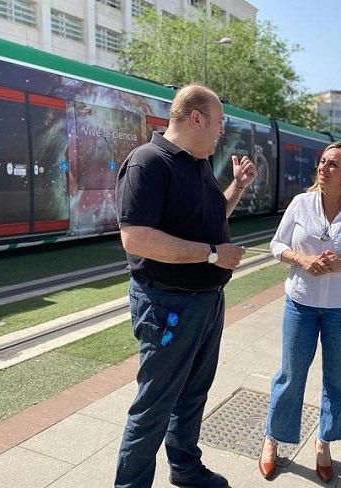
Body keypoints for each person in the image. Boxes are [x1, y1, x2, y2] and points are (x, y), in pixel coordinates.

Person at [114, 84, 257, 488]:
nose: (221, 132)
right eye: (219, 122)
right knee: (154, 406)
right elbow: (136, 238)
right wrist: (213, 254)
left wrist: (238, 187)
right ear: (196, 118)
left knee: (193, 394)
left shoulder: (197, 163)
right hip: (167, 305)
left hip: (206, 302)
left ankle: (185, 467)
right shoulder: (148, 163)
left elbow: (210, 216)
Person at [258, 142, 341, 482]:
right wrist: (301, 260)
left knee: (339, 379)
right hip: (300, 303)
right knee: (289, 374)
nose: (324, 168)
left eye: (333, 165)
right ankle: (273, 439)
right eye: (323, 162)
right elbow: (276, 245)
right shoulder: (301, 204)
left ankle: (324, 442)